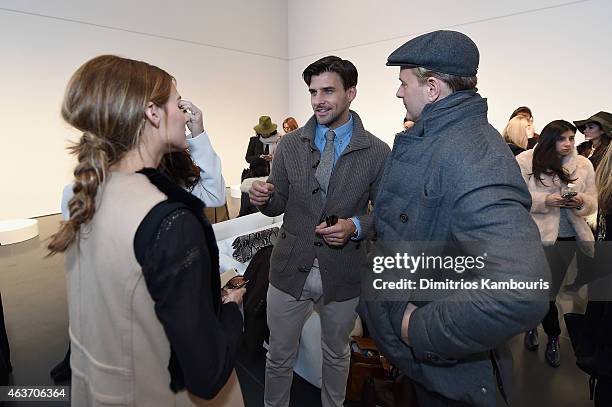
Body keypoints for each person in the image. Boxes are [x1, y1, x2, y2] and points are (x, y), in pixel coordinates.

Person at [358, 30, 549, 406]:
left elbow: (521, 290)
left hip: (449, 376)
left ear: (432, 88)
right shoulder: (439, 139)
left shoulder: (472, 154)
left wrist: (416, 328)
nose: (399, 93)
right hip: (422, 370)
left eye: (404, 83)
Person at [47, 55, 245, 406]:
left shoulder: (89, 194)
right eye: (177, 103)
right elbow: (208, 374)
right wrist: (231, 310)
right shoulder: (169, 220)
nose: (185, 115)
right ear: (153, 113)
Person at [249, 55, 389, 407]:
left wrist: (355, 226)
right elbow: (277, 201)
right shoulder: (291, 144)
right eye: (313, 91)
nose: (317, 100)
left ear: (351, 93)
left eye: (328, 90)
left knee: (337, 355)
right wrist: (263, 198)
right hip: (288, 270)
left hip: (342, 273)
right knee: (279, 357)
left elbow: (386, 216)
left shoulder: (377, 151)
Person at [516, 120, 597, 367]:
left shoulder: (583, 164)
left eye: (571, 138)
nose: (568, 143)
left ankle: (551, 335)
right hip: (535, 236)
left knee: (549, 292)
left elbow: (594, 201)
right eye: (562, 138)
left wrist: (580, 202)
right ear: (550, 139)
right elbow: (514, 196)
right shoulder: (526, 160)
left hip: (568, 238)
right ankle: (536, 325)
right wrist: (545, 200)